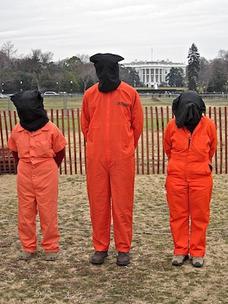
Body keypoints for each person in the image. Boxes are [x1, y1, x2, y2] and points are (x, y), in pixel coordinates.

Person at [81, 53, 143, 266]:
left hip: (122, 158)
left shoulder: (130, 93)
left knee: (122, 204)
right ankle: (100, 247)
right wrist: (95, 144)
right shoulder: (89, 95)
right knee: (98, 203)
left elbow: (137, 126)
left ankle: (123, 248)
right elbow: (85, 125)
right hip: (96, 157)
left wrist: (125, 147)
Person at [8, 90, 66, 261]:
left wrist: (50, 167)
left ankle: (51, 247)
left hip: (46, 169)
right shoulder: (18, 130)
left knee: (48, 211)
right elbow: (14, 151)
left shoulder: (51, 129)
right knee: (25, 211)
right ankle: (28, 246)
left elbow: (60, 151)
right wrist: (24, 165)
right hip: (25, 170)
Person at [164, 91, 217, 267]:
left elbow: (212, 148)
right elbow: (168, 148)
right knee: (178, 215)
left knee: (200, 217)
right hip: (177, 177)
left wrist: (200, 165)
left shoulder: (208, 125)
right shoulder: (172, 126)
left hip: (201, 178)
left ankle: (197, 252)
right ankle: (180, 250)